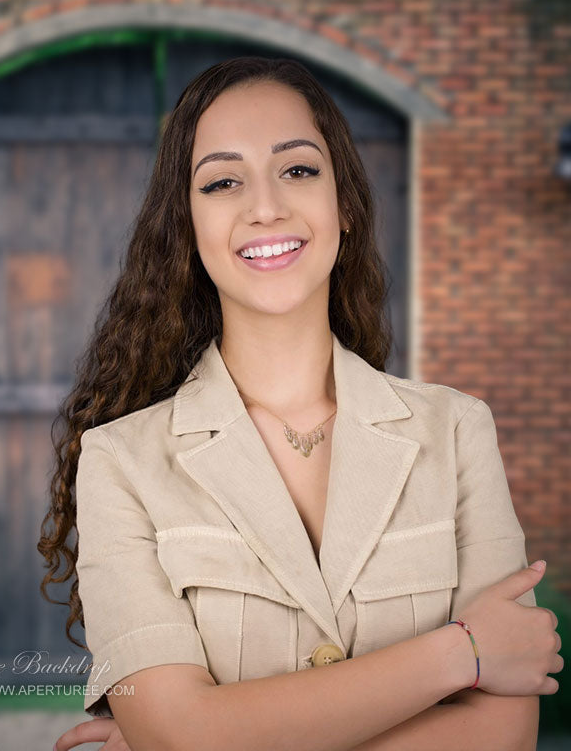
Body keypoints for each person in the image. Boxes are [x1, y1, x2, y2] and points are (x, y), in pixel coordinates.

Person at [39, 56, 562, 751]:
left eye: (298, 169)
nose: (265, 206)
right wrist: (461, 654)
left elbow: (503, 735)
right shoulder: (119, 463)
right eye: (223, 182)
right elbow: (180, 736)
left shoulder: (458, 432)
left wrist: (212, 735)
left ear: (342, 202)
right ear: (187, 228)